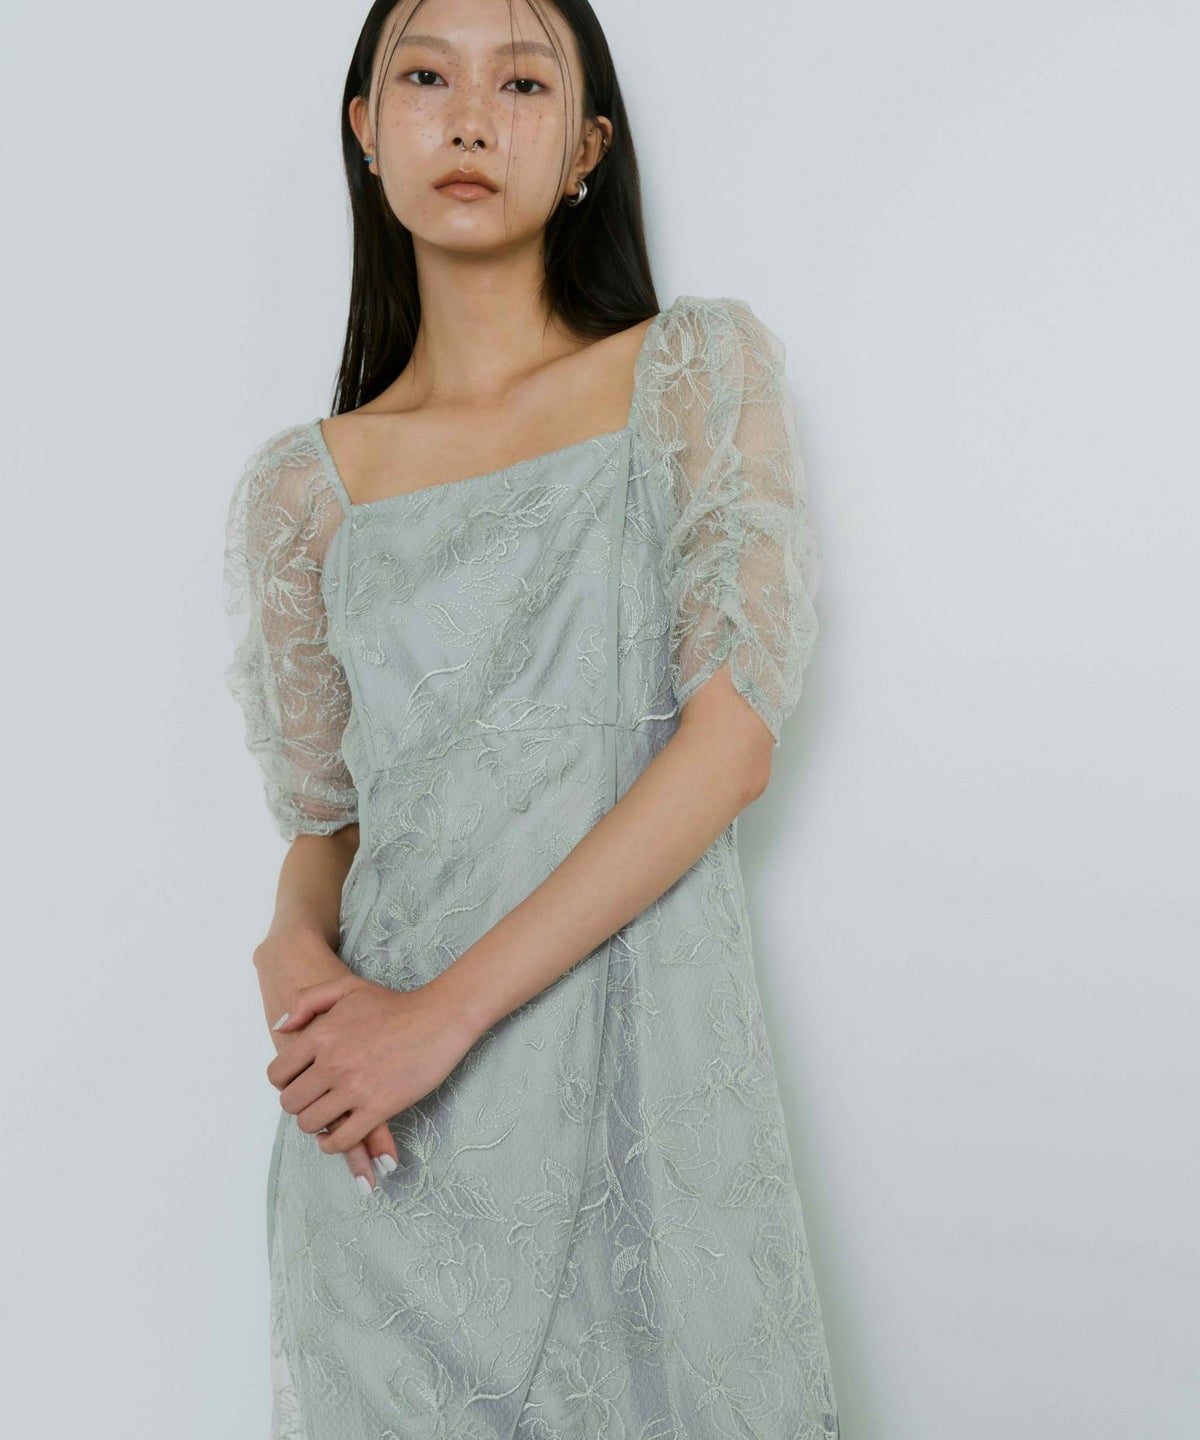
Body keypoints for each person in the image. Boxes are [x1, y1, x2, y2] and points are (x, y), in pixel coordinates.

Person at [221, 0, 839, 1434]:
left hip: (637, 1109)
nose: (469, 117)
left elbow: (731, 742)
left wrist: (435, 1024)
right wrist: (288, 947)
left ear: (586, 149)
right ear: (367, 130)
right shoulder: (303, 491)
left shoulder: (692, 375)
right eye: (424, 75)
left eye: (522, 83)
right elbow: (329, 826)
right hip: (385, 1164)